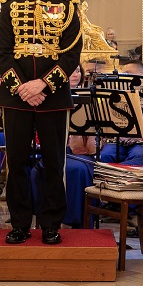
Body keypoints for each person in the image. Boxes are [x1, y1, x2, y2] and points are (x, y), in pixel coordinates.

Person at [0, 0, 83, 245]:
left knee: (54, 163)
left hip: (53, 96)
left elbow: (71, 55)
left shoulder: (69, 6)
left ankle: (50, 224)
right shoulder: (9, 5)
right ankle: (19, 223)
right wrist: (23, 87)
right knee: (17, 162)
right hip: (16, 96)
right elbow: (2, 53)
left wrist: (43, 85)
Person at [30, 65, 95, 228]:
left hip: (80, 150)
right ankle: (56, 217)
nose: (75, 74)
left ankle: (81, 221)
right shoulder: (48, 97)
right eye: (71, 70)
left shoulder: (88, 97)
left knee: (80, 168)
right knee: (69, 168)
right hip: (52, 147)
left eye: (78, 71)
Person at [99, 59, 143, 166]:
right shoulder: (117, 97)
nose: (124, 77)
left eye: (128, 74)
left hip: (140, 142)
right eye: (123, 74)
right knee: (105, 155)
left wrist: (138, 136)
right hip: (118, 141)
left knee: (138, 155)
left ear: (141, 75)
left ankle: (125, 179)